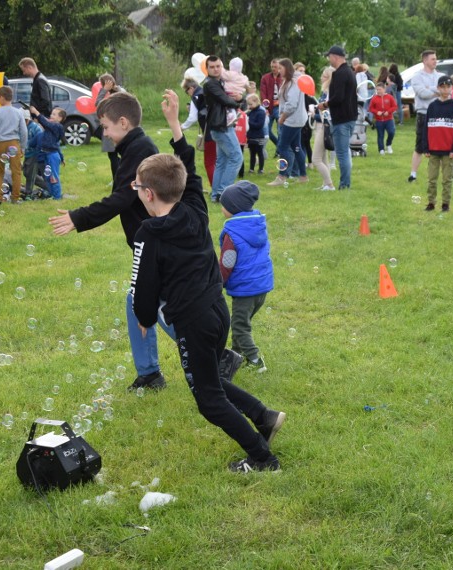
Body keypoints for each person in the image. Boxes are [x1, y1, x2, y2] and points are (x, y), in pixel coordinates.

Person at [131, 90, 284, 472]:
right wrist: (173, 127)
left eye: (137, 188)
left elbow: (144, 288)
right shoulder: (196, 208)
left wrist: (144, 318)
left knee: (207, 397)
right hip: (218, 311)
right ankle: (264, 416)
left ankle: (263, 458)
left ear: (149, 194)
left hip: (194, 321)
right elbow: (190, 171)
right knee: (209, 378)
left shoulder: (150, 232)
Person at [48, 92, 169, 391]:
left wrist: (79, 217)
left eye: (105, 126)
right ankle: (150, 373)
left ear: (124, 123)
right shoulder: (130, 146)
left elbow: (122, 198)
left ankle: (214, 355)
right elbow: (123, 189)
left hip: (156, 242)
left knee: (155, 304)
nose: (103, 133)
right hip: (148, 241)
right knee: (139, 302)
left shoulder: (140, 149)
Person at [218, 181, 274, 373]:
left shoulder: (232, 233)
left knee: (240, 326)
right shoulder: (256, 224)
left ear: (232, 208)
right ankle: (236, 354)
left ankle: (256, 360)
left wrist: (218, 282)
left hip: (245, 289)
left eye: (223, 204)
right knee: (240, 322)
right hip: (261, 286)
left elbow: (227, 263)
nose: (221, 207)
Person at [317, 46, 357, 190]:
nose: (329, 60)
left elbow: (338, 97)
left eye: (329, 57)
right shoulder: (350, 72)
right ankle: (345, 182)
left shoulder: (340, 73)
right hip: (350, 117)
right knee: (345, 151)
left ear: (335, 56)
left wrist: (325, 104)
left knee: (342, 153)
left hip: (342, 119)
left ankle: (344, 184)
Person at [204, 55, 243, 201]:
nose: (215, 69)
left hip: (221, 126)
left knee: (222, 161)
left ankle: (216, 195)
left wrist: (238, 99)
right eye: (212, 67)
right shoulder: (211, 84)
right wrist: (239, 101)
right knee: (236, 157)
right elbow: (225, 100)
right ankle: (223, 193)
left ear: (222, 67)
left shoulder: (220, 82)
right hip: (221, 127)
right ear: (207, 69)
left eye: (218, 66)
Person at [422, 75, 453, 213]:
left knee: (447, 179)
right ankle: (431, 202)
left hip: (448, 150)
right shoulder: (432, 106)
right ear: (438, 88)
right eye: (442, 87)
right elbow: (426, 127)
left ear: (452, 88)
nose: (445, 89)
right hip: (433, 149)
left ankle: (445, 204)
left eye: (448, 87)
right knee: (432, 178)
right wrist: (426, 147)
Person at [266, 59, 308, 187]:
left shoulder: (294, 82)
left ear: (287, 68)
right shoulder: (289, 80)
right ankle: (303, 176)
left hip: (292, 120)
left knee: (282, 147)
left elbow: (291, 104)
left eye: (280, 68)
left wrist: (282, 117)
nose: (278, 71)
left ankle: (282, 176)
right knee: (296, 147)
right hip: (295, 119)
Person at [0, 86, 27, 204]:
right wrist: (23, 147)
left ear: (1, 97)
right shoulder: (19, 112)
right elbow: (23, 131)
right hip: (14, 144)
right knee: (16, 171)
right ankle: (15, 198)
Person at [408, 50, 439, 183]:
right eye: (432, 59)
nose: (435, 61)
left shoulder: (439, 76)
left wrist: (430, 88)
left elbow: (445, 92)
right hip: (423, 114)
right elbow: (422, 93)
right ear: (425, 60)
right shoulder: (417, 76)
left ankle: (436, 174)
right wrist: (436, 90)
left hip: (437, 113)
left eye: (435, 59)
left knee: (438, 145)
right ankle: (413, 174)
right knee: (420, 146)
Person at [29, 104, 65, 200]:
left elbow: (46, 123)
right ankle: (52, 194)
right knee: (48, 177)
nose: (51, 116)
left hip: (52, 155)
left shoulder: (58, 126)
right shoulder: (50, 129)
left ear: (60, 118)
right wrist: (62, 157)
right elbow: (46, 123)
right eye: (51, 114)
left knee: (53, 176)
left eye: (54, 114)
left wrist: (36, 112)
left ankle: (57, 197)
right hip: (47, 155)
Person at [311, 67, 336, 191]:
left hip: (325, 126)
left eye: (324, 76)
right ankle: (326, 184)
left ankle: (330, 184)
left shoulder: (330, 92)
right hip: (322, 125)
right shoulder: (325, 91)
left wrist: (314, 113)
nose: (321, 78)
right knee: (323, 157)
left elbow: (327, 113)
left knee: (315, 159)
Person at [96, 74, 122, 177]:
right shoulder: (120, 91)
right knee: (117, 155)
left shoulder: (114, 95)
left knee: (113, 156)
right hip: (118, 128)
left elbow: (98, 104)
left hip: (113, 129)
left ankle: (117, 179)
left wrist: (104, 91)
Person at [368, 81, 397, 155]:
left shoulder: (389, 97)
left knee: (391, 132)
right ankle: (381, 149)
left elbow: (394, 106)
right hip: (379, 120)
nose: (378, 91)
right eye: (377, 89)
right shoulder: (374, 98)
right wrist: (377, 112)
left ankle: (388, 144)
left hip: (389, 119)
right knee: (380, 135)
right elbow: (371, 108)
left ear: (384, 89)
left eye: (380, 89)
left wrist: (389, 111)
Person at [259, 59, 282, 146]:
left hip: (280, 107)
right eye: (272, 67)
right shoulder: (265, 78)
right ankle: (278, 145)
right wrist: (265, 107)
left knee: (280, 131)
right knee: (267, 130)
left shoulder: (283, 77)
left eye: (275, 67)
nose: (273, 69)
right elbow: (262, 93)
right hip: (269, 107)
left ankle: (279, 151)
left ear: (279, 67)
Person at [22, 109, 43, 197]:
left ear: (28, 119)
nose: (23, 123)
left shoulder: (35, 128)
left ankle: (28, 192)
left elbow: (41, 140)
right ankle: (47, 185)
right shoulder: (22, 127)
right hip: (27, 154)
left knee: (30, 174)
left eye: (25, 121)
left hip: (34, 154)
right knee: (26, 172)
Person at [245, 94, 267, 175]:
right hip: (251, 136)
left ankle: (261, 169)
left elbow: (259, 125)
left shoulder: (261, 112)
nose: (249, 106)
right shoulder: (250, 112)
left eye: (251, 104)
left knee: (260, 152)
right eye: (248, 104)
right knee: (252, 153)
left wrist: (248, 122)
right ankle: (251, 169)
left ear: (256, 102)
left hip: (259, 136)